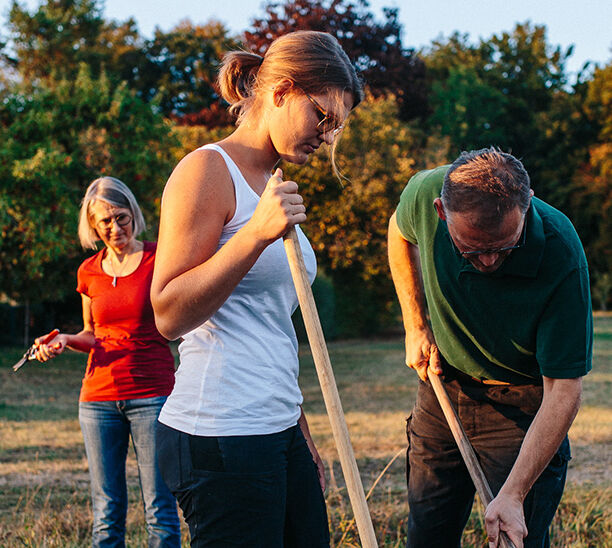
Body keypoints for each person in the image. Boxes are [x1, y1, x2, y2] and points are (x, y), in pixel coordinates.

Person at [150, 30, 363, 547]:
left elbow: (267, 329)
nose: (327, 136)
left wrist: (299, 432)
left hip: (276, 427)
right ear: (283, 91)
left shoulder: (270, 181)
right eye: (323, 117)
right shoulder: (206, 170)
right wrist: (255, 234)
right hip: (219, 431)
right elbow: (168, 313)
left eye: (336, 127)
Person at [387, 148, 592, 548]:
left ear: (526, 205)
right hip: (443, 388)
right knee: (427, 534)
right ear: (440, 212)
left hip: (523, 406)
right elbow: (399, 230)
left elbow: (564, 390)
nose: (487, 261)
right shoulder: (427, 191)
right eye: (471, 248)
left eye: (503, 246)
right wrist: (416, 324)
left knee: (514, 536)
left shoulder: (561, 251)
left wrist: (513, 495)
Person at [33, 177, 181, 548]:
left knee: (160, 508)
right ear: (93, 225)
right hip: (98, 400)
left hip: (153, 394)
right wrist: (65, 340)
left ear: (133, 213)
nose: (115, 228)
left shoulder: (157, 257)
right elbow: (93, 332)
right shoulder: (89, 271)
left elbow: (177, 320)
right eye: (105, 222)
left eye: (122, 218)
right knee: (106, 509)